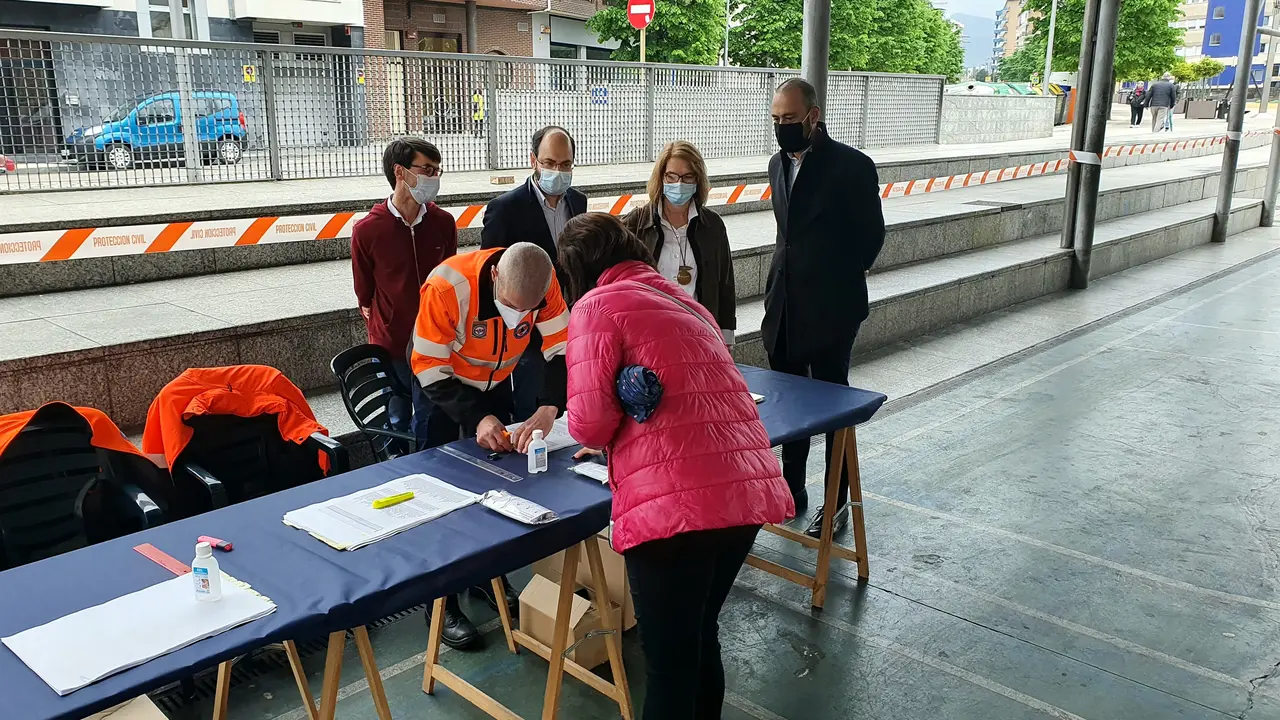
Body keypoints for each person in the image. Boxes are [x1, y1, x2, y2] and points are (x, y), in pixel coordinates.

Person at [559, 213, 793, 720]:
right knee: (699, 634)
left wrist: (613, 412)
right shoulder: (684, 301)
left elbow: (589, 424)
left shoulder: (596, 306)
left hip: (676, 509)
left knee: (667, 664)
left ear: (576, 269)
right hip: (743, 493)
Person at [409, 242, 570, 649]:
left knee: (497, 490)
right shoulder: (448, 287)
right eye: (511, 306)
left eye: (527, 310)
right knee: (441, 499)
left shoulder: (544, 283)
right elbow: (429, 366)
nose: (520, 316)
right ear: (495, 275)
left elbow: (561, 348)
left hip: (496, 384)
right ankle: (439, 605)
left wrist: (551, 407)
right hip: (441, 393)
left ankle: (485, 579)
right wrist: (475, 417)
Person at [764, 78, 885, 537]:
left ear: (814, 116)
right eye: (776, 120)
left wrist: (835, 275)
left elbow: (871, 237)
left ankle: (835, 504)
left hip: (832, 305)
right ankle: (790, 488)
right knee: (789, 403)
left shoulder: (851, 165)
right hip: (785, 304)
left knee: (834, 407)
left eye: (790, 119)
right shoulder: (776, 163)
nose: (782, 128)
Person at [351, 138, 457, 443]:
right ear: (400, 171)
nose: (433, 178)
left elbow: (449, 278)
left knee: (431, 419)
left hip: (435, 341)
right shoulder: (368, 230)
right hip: (392, 344)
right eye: (426, 169)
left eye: (437, 170)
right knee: (395, 419)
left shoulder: (443, 223)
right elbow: (364, 293)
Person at [481, 126, 586, 422]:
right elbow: (492, 274)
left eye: (566, 164)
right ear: (534, 161)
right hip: (528, 334)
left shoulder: (578, 202)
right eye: (550, 163)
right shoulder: (505, 209)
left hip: (571, 326)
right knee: (532, 414)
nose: (558, 170)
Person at [622, 141, 736, 344]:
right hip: (649, 337)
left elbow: (725, 285)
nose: (679, 183)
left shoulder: (713, 226)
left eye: (687, 177)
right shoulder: (636, 223)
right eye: (671, 176)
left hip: (699, 334)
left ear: (697, 180)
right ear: (661, 178)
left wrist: (726, 338)